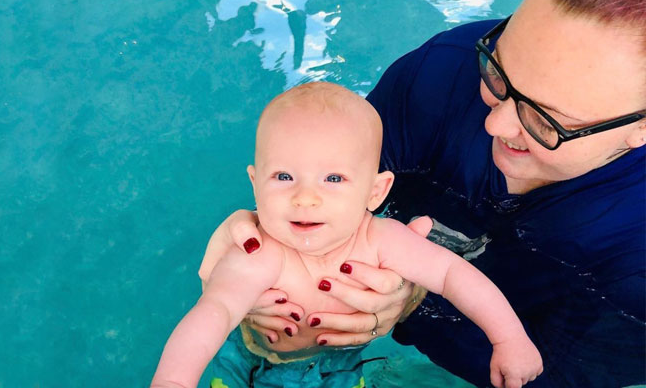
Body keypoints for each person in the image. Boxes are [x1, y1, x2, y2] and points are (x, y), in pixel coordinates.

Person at [209, 0, 646, 386]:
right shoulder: (443, 72)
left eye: (545, 120)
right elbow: (328, 178)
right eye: (497, 73)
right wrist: (262, 230)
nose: (494, 122)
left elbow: (556, 377)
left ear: (639, 129)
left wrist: (416, 305)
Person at [151, 82, 542, 388]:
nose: (305, 197)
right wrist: (173, 380)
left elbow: (453, 275)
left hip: (339, 364)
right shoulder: (261, 253)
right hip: (252, 360)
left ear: (375, 192)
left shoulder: (382, 241)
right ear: (255, 185)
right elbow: (213, 313)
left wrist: (509, 338)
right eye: (284, 177)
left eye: (334, 178)